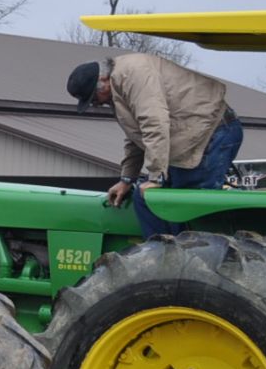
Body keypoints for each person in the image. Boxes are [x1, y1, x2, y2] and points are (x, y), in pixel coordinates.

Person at [66, 54, 242, 238]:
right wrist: (127, 179)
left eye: (93, 97)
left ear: (103, 79)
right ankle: (160, 252)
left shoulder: (135, 76)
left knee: (182, 206)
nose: (96, 103)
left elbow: (154, 124)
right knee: (144, 199)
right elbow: (136, 136)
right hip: (187, 138)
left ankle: (190, 256)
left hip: (212, 133)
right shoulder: (118, 89)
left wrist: (156, 178)